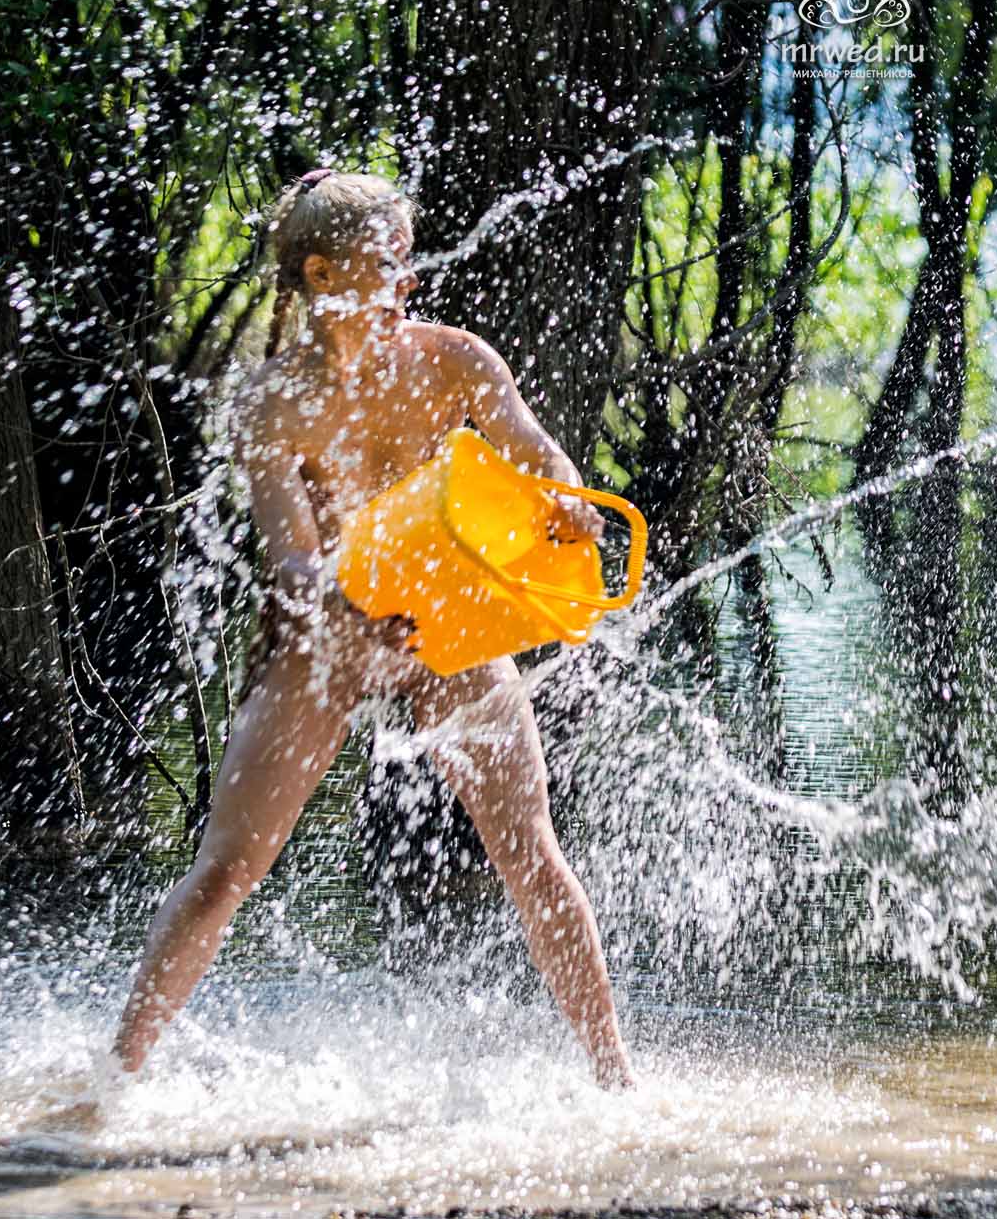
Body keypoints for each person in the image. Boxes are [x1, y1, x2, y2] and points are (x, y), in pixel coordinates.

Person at [111, 168, 636, 1090]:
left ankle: (618, 1080)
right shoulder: (270, 402)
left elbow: (537, 451)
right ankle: (111, 1082)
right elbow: (293, 557)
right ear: (320, 273)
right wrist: (343, 609)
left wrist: (567, 503)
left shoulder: (457, 359)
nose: (408, 280)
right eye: (386, 264)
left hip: (452, 629)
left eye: (408, 261)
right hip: (323, 639)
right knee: (226, 869)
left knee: (531, 857)